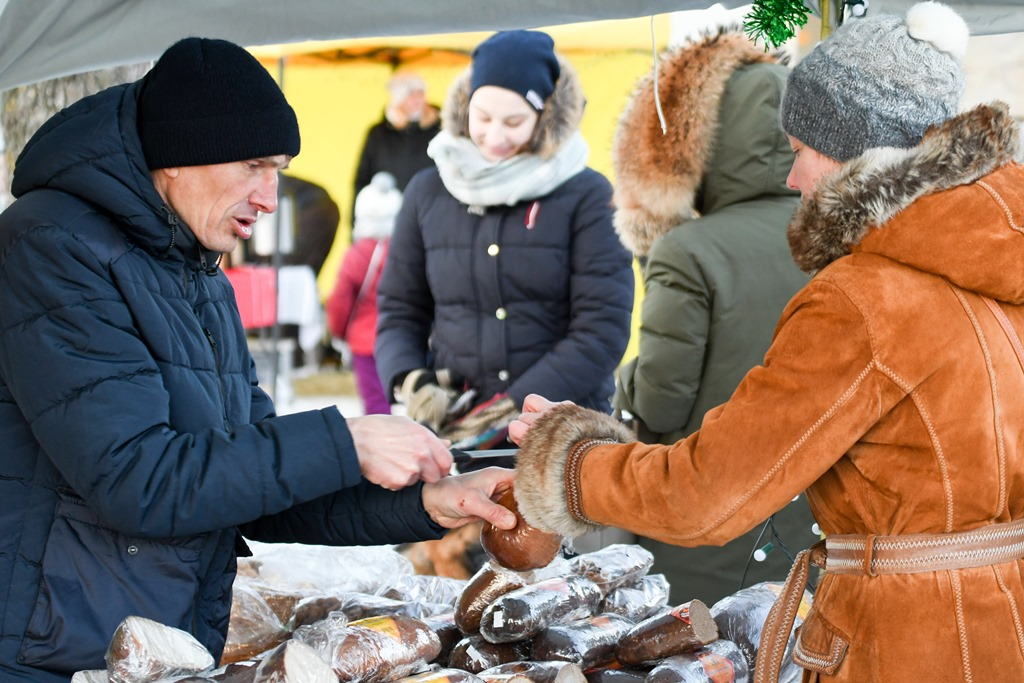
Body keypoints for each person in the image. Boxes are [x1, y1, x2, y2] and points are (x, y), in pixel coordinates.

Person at [506, 3, 1024, 681]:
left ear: (852, 152)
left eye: (801, 151)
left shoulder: (863, 298)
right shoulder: (997, 269)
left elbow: (708, 493)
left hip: (901, 645)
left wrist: (568, 463)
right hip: (1003, 624)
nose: (792, 179)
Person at [0, 37, 515, 682]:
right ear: (178, 157)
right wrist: (345, 440)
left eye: (279, 170)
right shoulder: (52, 246)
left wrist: (426, 502)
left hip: (158, 644)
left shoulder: (198, 273)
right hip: (48, 647)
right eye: (252, 165)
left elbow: (253, 477)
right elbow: (137, 479)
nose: (271, 198)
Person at [609, 28, 817, 605]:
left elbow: (659, 400)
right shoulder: (841, 238)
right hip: (816, 522)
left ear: (706, 140)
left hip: (710, 521)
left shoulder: (690, 250)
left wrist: (622, 383)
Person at [375, 30, 634, 454]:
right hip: (455, 433)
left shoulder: (587, 194)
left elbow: (601, 328)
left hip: (563, 434)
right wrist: (410, 380)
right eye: (483, 117)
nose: (495, 136)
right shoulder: (428, 192)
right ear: (464, 108)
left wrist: (512, 408)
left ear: (544, 117)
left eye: (514, 122)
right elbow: (400, 309)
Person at [326, 171, 403, 415]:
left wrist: (338, 332)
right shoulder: (407, 252)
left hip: (365, 342)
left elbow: (340, 299)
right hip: (402, 338)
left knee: (377, 407)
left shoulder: (357, 254)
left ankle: (386, 449)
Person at [352, 71, 440, 224]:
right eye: (410, 93)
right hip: (386, 222)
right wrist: (357, 224)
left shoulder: (439, 132)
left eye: (421, 93)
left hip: (430, 218)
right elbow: (362, 181)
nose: (417, 99)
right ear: (398, 97)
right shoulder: (378, 134)